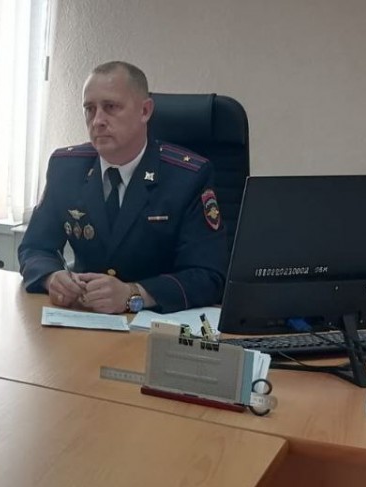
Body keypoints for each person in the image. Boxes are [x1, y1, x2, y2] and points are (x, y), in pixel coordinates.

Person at [17, 61, 228, 314]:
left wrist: (134, 294)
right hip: (83, 317)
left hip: (157, 324)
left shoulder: (188, 176)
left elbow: (208, 276)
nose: (97, 121)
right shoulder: (66, 167)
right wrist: (52, 277)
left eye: (111, 107)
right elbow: (35, 247)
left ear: (145, 111)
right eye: (89, 109)